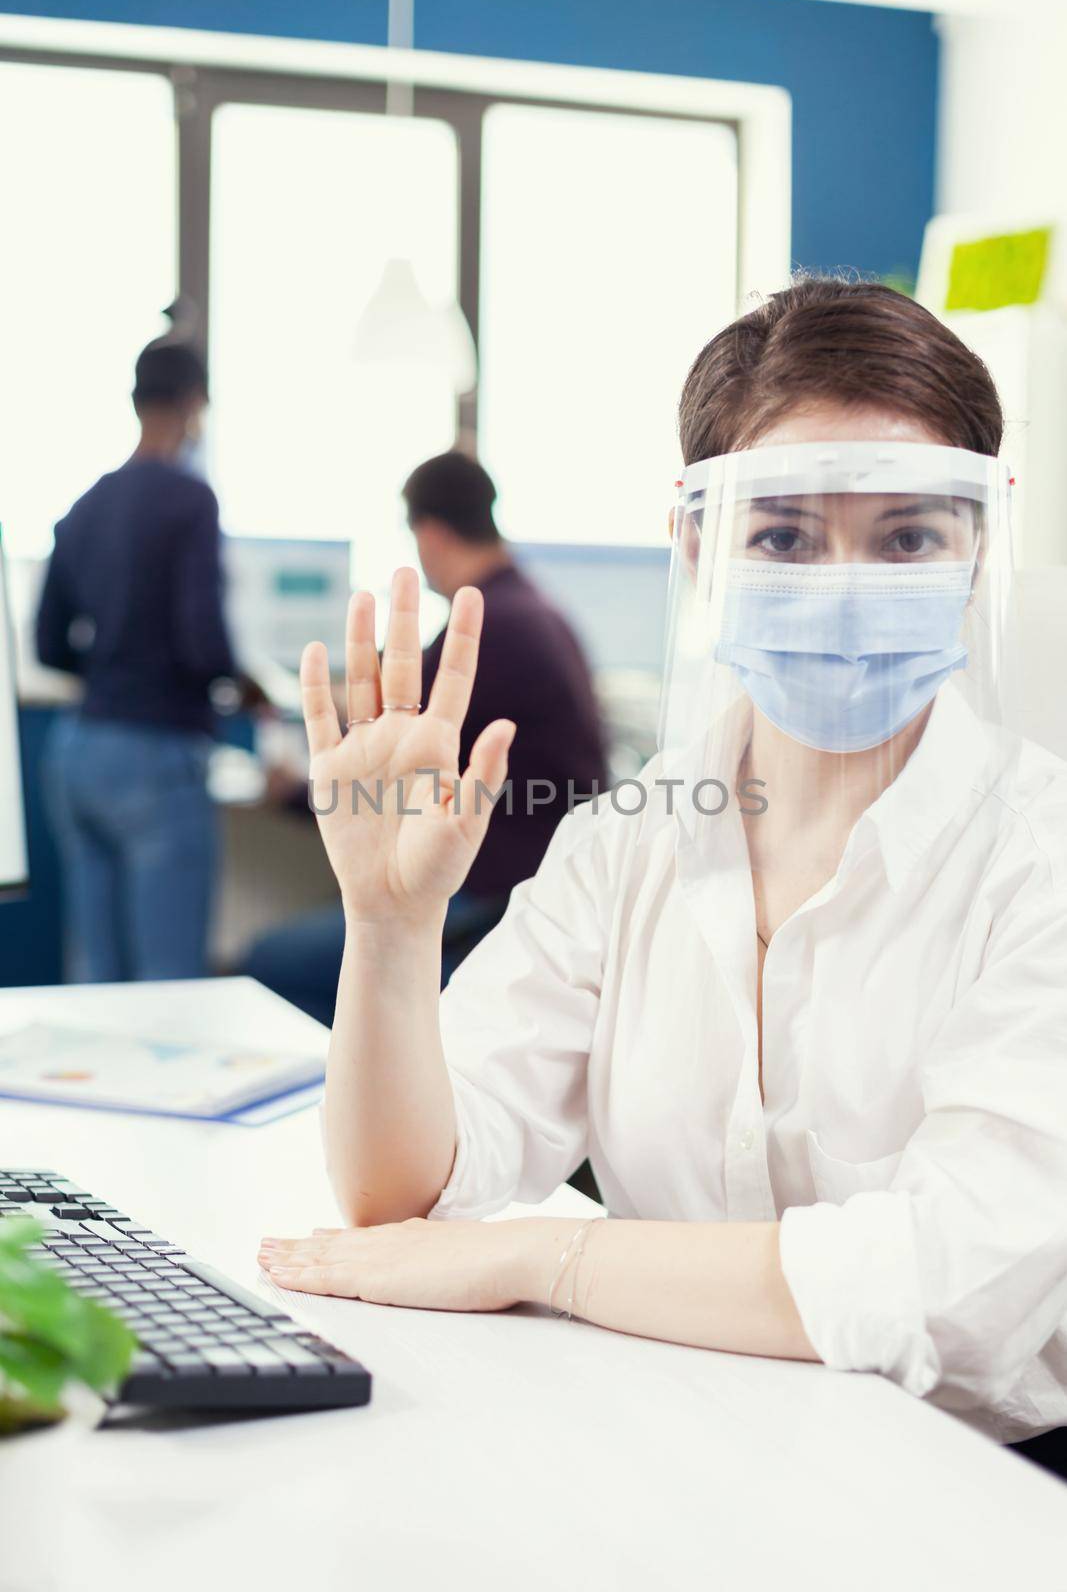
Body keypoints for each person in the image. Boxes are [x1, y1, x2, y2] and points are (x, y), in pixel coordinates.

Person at [259, 278, 1067, 1478]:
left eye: (905, 535)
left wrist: (552, 1259)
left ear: (974, 546)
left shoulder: (1036, 857)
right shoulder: (625, 843)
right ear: (699, 544)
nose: (843, 586)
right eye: (782, 535)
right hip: (670, 1452)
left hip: (973, 1489)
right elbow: (402, 1197)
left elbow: (951, 1280)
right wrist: (389, 929)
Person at [241, 450, 606, 1018]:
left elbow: (393, 756)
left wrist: (291, 792)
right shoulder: (533, 613)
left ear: (430, 535)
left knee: (268, 963)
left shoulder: (490, 627)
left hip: (489, 896)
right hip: (537, 878)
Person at [36, 333, 236, 981]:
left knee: (95, 973)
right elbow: (202, 643)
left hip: (78, 753)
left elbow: (47, 644)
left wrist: (111, 667)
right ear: (192, 405)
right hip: (154, 754)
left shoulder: (82, 507)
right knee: (169, 978)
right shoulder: (190, 500)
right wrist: (244, 687)